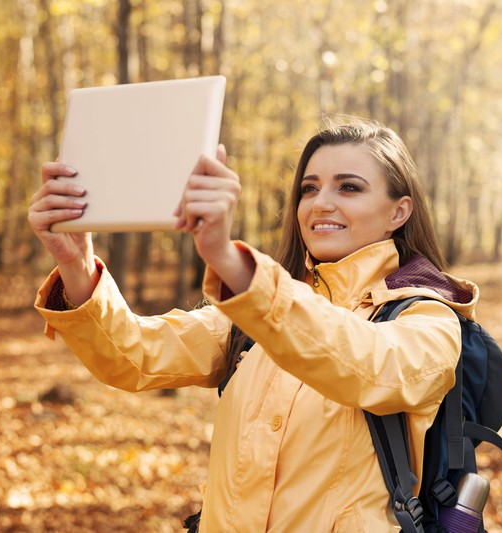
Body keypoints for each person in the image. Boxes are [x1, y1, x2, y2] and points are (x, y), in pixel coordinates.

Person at [28, 116, 478, 531]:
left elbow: (368, 365)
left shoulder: (428, 316)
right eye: (309, 188)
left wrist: (232, 264)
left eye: (349, 188)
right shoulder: (250, 317)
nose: (320, 203)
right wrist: (76, 263)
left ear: (399, 212)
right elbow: (134, 356)